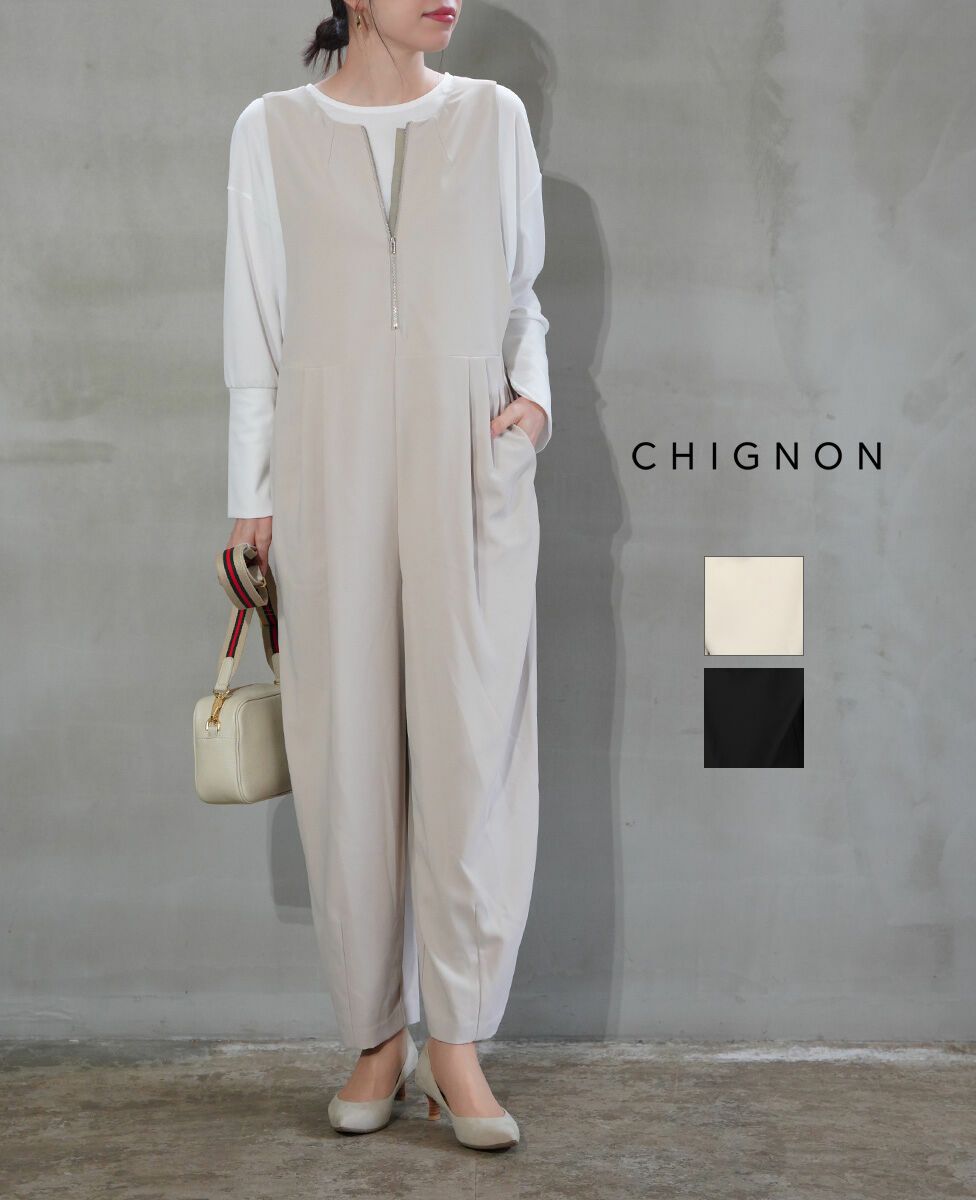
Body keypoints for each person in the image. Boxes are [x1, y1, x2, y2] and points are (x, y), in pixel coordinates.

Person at [222, 0, 551, 1151]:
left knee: (470, 747)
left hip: (469, 460)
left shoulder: (494, 117)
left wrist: (531, 404)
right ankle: (376, 1036)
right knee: (346, 754)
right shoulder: (269, 130)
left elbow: (521, 297)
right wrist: (251, 495)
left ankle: (455, 1043)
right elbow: (255, 331)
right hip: (327, 459)